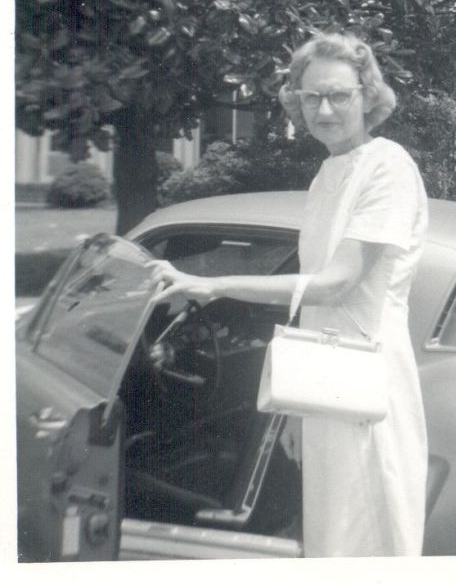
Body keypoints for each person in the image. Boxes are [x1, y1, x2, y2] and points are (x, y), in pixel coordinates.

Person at [148, 31, 429, 557]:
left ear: (368, 95)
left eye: (339, 95)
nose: (324, 109)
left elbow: (336, 283)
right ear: (296, 103)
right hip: (326, 379)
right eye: (311, 96)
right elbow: (314, 301)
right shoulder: (328, 172)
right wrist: (297, 410)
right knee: (329, 538)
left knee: (366, 537)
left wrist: (214, 285)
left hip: (369, 383)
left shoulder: (388, 167)